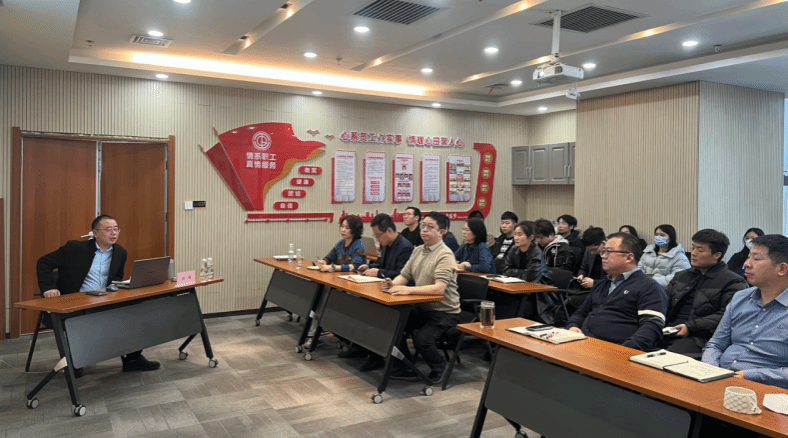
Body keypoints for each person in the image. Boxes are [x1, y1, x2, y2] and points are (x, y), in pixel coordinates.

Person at [36, 214, 160, 377]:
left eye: (116, 229)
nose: (113, 233)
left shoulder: (120, 252)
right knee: (83, 321)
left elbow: (117, 276)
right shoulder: (75, 248)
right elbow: (44, 262)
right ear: (95, 233)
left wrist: (116, 287)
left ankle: (132, 359)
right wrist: (48, 288)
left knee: (135, 312)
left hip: (103, 300)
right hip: (75, 302)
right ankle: (75, 360)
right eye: (108, 229)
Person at [702, 234, 788, 390]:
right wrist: (711, 368)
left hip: (765, 389)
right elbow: (715, 344)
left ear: (781, 269)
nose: (746, 264)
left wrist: (750, 375)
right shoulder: (740, 298)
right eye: (749, 257)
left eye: (756, 259)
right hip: (719, 379)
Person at [384, 211, 461, 383]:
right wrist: (393, 285)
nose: (424, 230)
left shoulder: (445, 255)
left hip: (445, 312)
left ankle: (439, 368)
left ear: (441, 232)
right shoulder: (418, 250)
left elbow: (439, 289)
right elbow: (405, 275)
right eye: (423, 226)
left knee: (422, 340)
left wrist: (408, 290)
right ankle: (403, 367)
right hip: (423, 307)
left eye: (430, 227)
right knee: (393, 323)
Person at [566, 232, 668, 351]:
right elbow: (581, 312)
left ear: (628, 257)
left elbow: (652, 326)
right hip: (584, 344)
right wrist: (572, 326)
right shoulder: (603, 283)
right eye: (603, 251)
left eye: (609, 252)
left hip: (616, 351)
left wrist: (624, 351)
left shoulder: (649, 287)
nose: (603, 256)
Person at [660, 229, 747, 356]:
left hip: (700, 337)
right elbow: (663, 301)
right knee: (636, 343)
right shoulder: (681, 276)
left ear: (717, 255)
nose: (693, 253)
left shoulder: (733, 282)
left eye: (700, 250)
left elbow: (727, 315)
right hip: (669, 329)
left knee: (666, 357)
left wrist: (691, 327)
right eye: (693, 248)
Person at [347, 213, 414, 371]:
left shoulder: (405, 247)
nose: (377, 239)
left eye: (378, 235)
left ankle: (378, 357)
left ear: (389, 230)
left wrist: (378, 272)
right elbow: (383, 266)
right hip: (383, 291)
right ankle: (363, 349)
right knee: (358, 307)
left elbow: (402, 275)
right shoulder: (386, 244)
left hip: (400, 297)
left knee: (375, 316)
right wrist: (370, 267)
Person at [501, 221, 554, 321]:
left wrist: (516, 273)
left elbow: (529, 278)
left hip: (537, 295)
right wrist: (523, 271)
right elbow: (505, 270)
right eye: (515, 234)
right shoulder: (513, 249)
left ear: (530, 237)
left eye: (520, 235)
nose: (516, 238)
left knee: (508, 304)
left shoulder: (536, 252)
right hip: (517, 288)